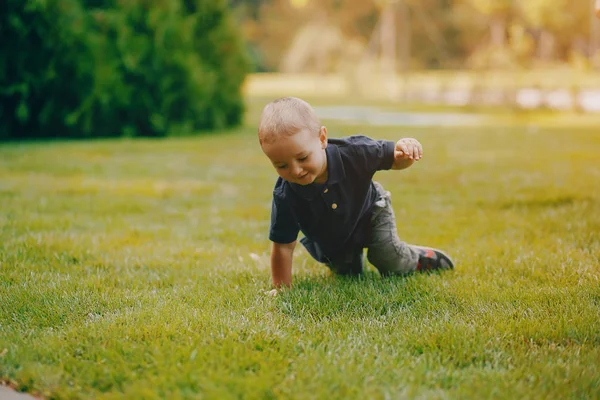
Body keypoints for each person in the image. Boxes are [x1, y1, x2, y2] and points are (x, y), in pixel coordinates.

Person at [258, 97, 453, 291]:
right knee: (348, 273)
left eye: (302, 157)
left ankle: (418, 258)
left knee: (388, 258)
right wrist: (282, 288)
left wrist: (406, 152)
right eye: (281, 165)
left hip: (371, 212)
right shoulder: (286, 195)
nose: (295, 170)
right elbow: (283, 246)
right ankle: (350, 259)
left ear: (322, 139)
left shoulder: (354, 153)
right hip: (334, 239)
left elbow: (395, 159)